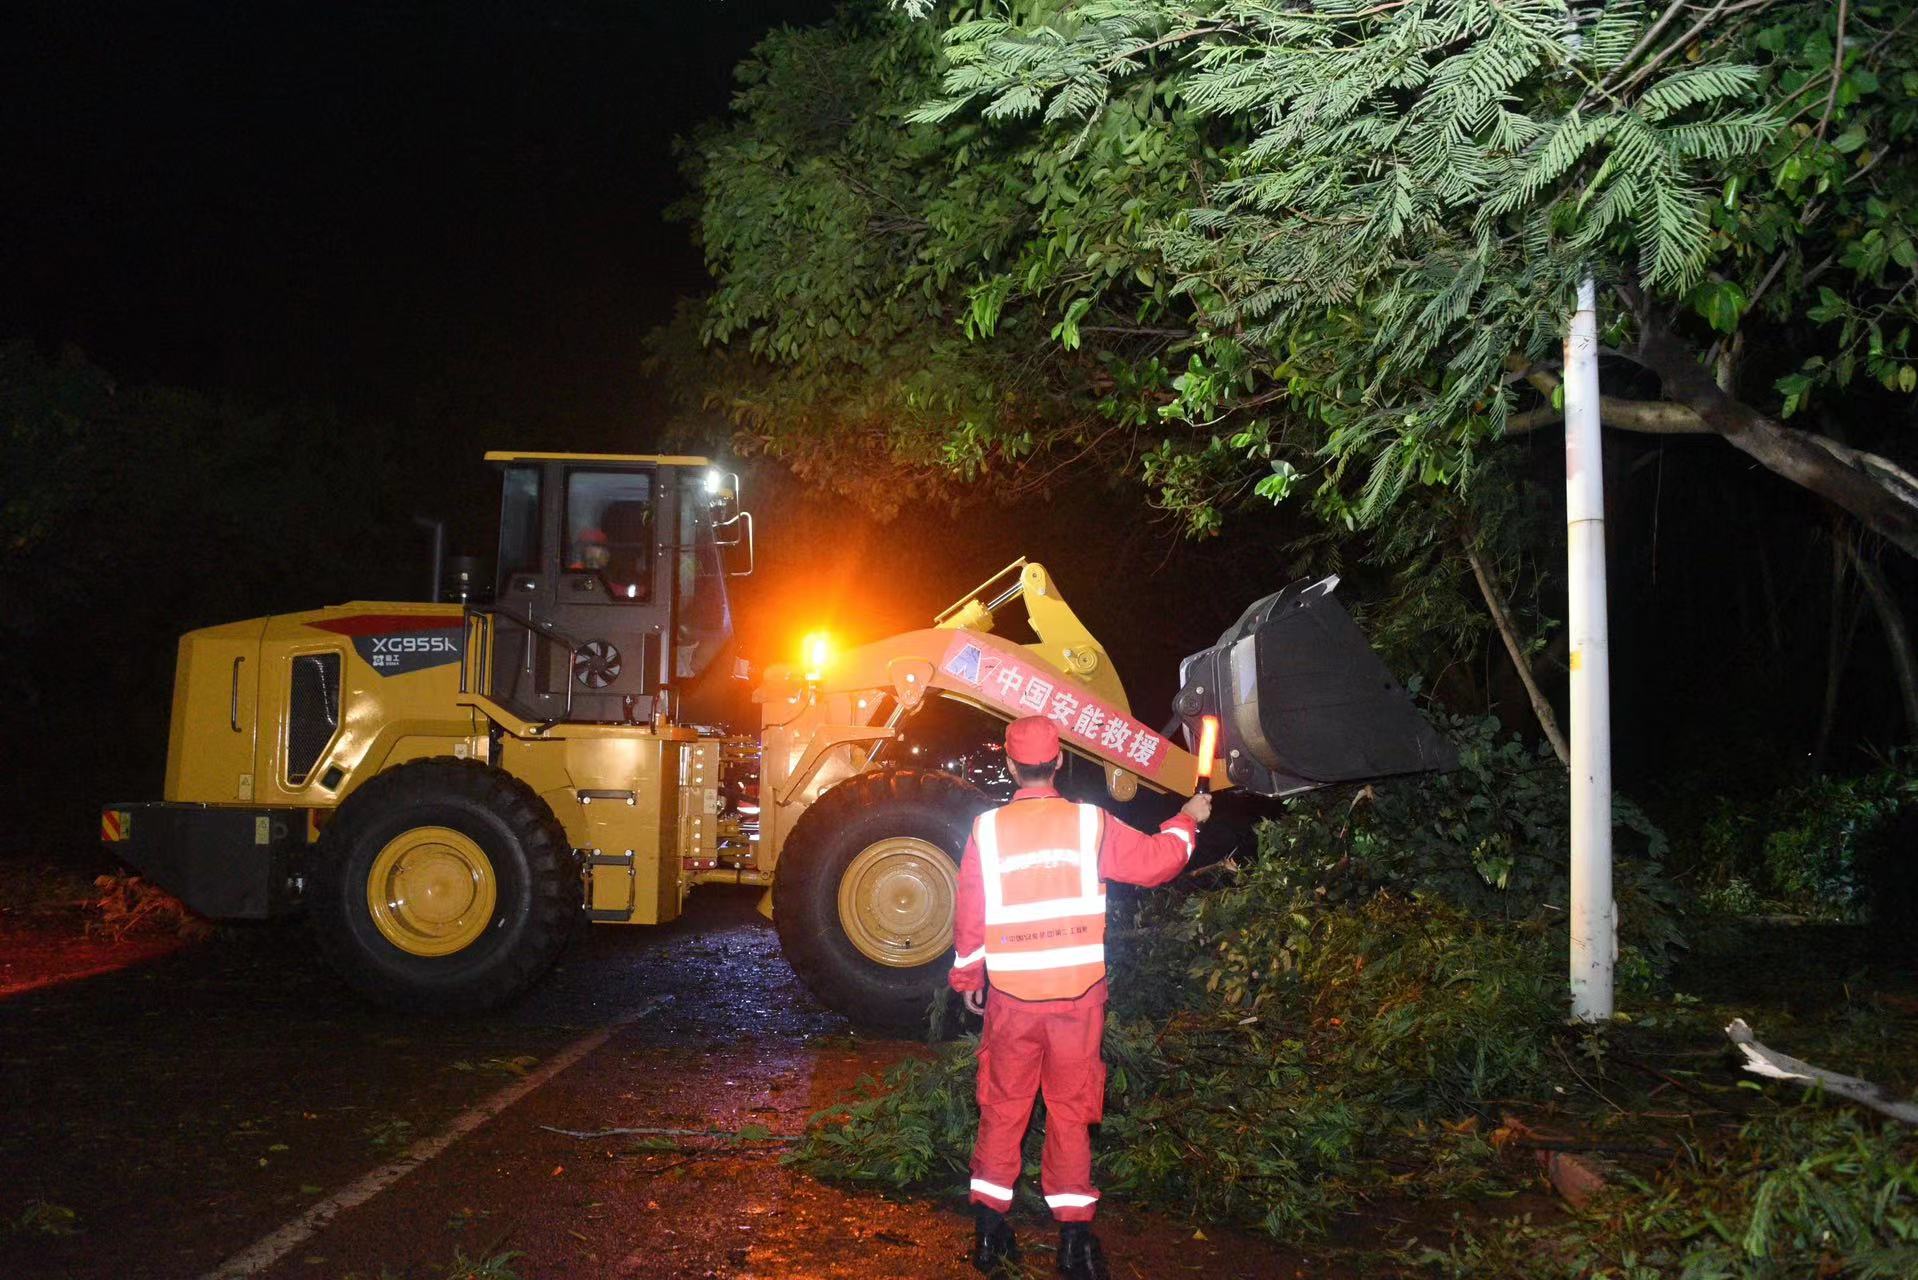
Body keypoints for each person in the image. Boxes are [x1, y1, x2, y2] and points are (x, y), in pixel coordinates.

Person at [950, 715, 1211, 1279]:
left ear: (1010, 765)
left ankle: (990, 1237)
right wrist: (1187, 820)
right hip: (1077, 1000)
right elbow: (1156, 862)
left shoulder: (986, 830)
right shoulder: (1090, 823)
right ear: (1059, 761)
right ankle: (1073, 1245)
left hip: (1012, 1000)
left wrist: (970, 978)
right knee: (1071, 1112)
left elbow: (970, 908)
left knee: (1003, 1109)